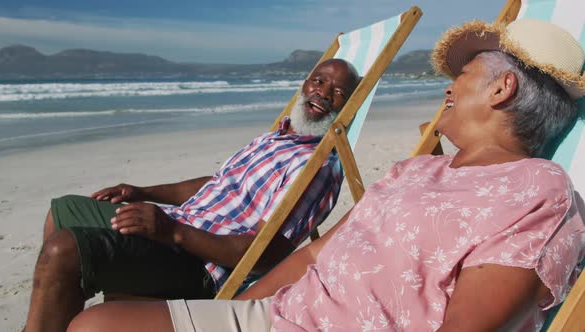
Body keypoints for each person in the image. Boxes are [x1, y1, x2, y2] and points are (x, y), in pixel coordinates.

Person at [67, 19, 585, 331]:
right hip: (280, 314)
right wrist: (239, 311)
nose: (448, 89)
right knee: (92, 324)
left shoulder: (538, 190)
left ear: (502, 89)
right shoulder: (415, 168)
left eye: (463, 77)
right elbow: (317, 251)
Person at [23, 58, 361, 332]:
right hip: (175, 227)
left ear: (349, 107)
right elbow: (218, 182)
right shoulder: (278, 137)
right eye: (319, 81)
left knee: (63, 250)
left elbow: (265, 255)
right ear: (305, 84)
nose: (323, 93)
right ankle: (54, 316)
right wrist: (143, 192)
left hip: (200, 265)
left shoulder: (315, 166)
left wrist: (172, 231)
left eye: (339, 92)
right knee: (64, 209)